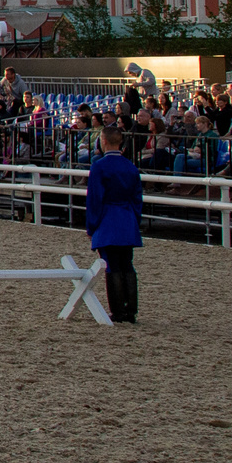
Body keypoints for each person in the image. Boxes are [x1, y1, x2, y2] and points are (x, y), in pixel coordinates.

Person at [86, 125, 144, 324]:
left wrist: (91, 226)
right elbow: (137, 200)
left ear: (103, 141)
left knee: (112, 266)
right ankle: (131, 310)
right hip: (127, 218)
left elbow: (95, 199)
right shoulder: (131, 167)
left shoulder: (99, 166)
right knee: (127, 264)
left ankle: (118, 310)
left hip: (107, 219)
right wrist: (134, 221)